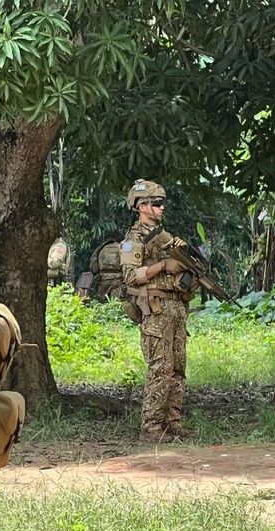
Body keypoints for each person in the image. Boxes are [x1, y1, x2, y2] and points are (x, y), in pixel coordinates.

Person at [120, 179, 198, 443]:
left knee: (177, 368)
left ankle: (172, 422)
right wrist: (163, 265)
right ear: (141, 206)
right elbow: (131, 277)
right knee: (160, 369)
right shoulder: (133, 241)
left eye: (162, 203)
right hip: (155, 309)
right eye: (156, 203)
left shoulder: (166, 239)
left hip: (175, 307)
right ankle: (151, 427)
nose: (161, 208)